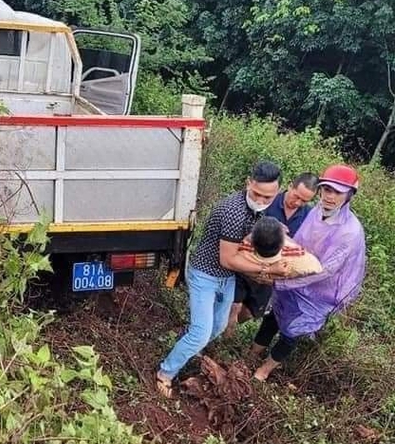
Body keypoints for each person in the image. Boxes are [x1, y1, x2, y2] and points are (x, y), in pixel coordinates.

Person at [156, 161, 290, 398]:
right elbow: (228, 259)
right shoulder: (233, 211)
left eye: (267, 197)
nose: (260, 200)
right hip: (205, 275)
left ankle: (188, 345)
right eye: (256, 194)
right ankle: (165, 372)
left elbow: (249, 238)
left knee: (217, 327)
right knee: (200, 332)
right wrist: (267, 268)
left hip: (225, 278)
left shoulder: (260, 209)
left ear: (277, 192)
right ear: (248, 183)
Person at [251, 164, 367, 381]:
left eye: (338, 192)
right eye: (327, 190)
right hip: (297, 276)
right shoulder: (315, 212)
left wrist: (283, 281)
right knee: (273, 317)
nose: (330, 197)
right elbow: (301, 244)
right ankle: (251, 354)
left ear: (349, 195)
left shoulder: (350, 231)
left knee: (292, 331)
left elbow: (327, 270)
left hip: (322, 292)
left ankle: (264, 370)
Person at [225, 173, 319, 336]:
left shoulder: (308, 216)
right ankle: (220, 336)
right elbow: (242, 225)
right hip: (247, 263)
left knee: (249, 313)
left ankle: (226, 331)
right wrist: (267, 229)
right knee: (234, 306)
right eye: (296, 196)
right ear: (291, 186)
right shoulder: (268, 200)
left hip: (271, 275)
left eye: (304, 201)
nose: (298, 203)